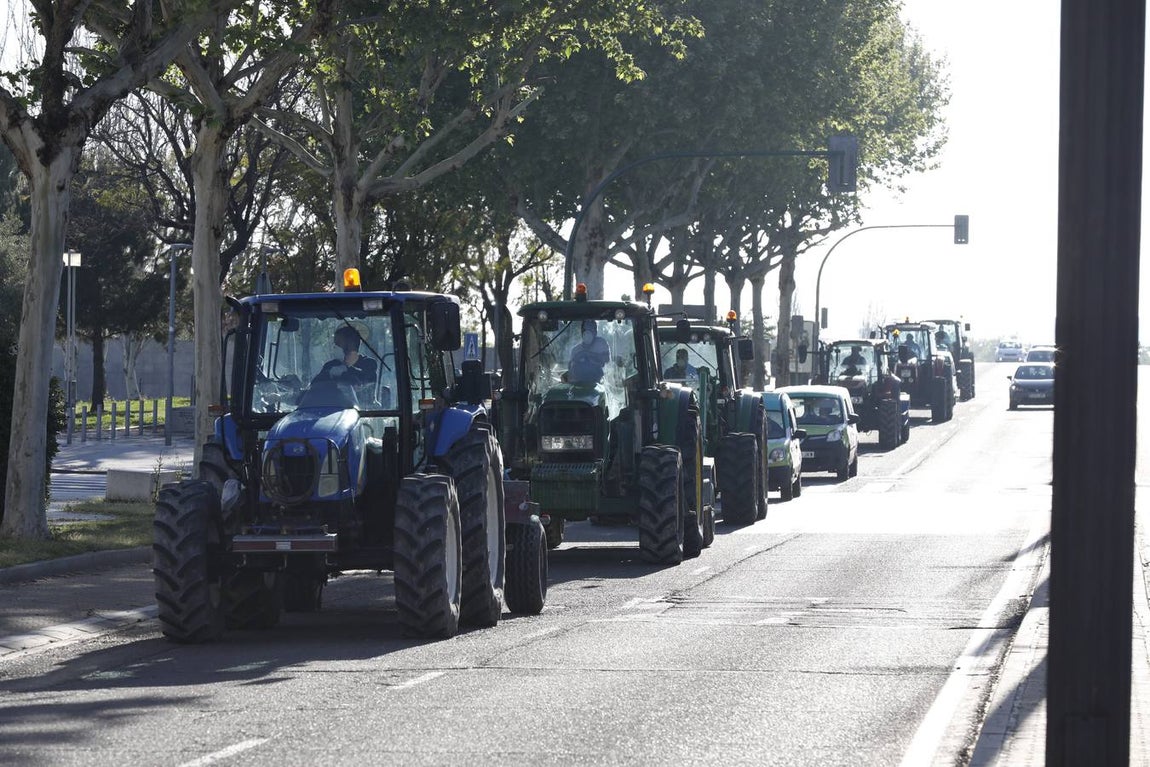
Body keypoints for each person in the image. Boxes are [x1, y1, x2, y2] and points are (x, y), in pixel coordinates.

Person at [313, 324, 378, 387]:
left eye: (337, 343)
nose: (334, 347)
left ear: (350, 345)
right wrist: (328, 373)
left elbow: (367, 381)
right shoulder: (330, 365)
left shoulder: (369, 363)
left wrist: (345, 370)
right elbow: (315, 384)